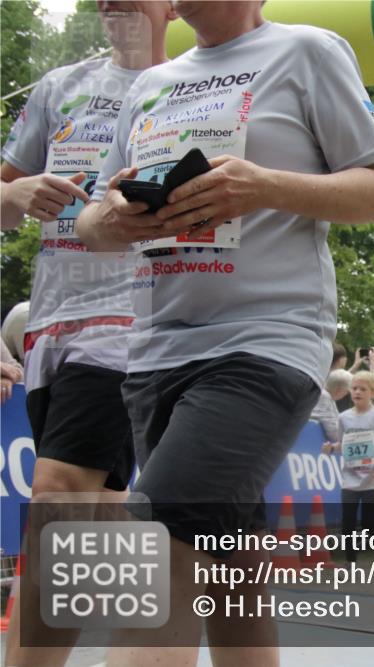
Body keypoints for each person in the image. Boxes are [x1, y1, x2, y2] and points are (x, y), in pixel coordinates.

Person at [74, 2, 374, 663]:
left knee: (157, 549)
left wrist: (264, 186)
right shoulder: (150, 85)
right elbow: (90, 218)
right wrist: (111, 219)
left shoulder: (308, 51)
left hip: (266, 342)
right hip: (157, 350)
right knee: (233, 574)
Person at [0, 4, 177, 665]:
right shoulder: (59, 87)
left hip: (132, 323)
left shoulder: (193, 87)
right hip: (49, 328)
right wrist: (18, 199)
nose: (110, 4)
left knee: (58, 495)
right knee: (106, 522)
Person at [322, 371, 374, 564]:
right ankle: (351, 563)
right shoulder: (343, 417)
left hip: (372, 477)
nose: (357, 392)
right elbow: (343, 444)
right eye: (354, 388)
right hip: (350, 477)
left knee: (368, 523)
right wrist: (331, 448)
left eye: (362, 389)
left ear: (372, 392)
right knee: (347, 522)